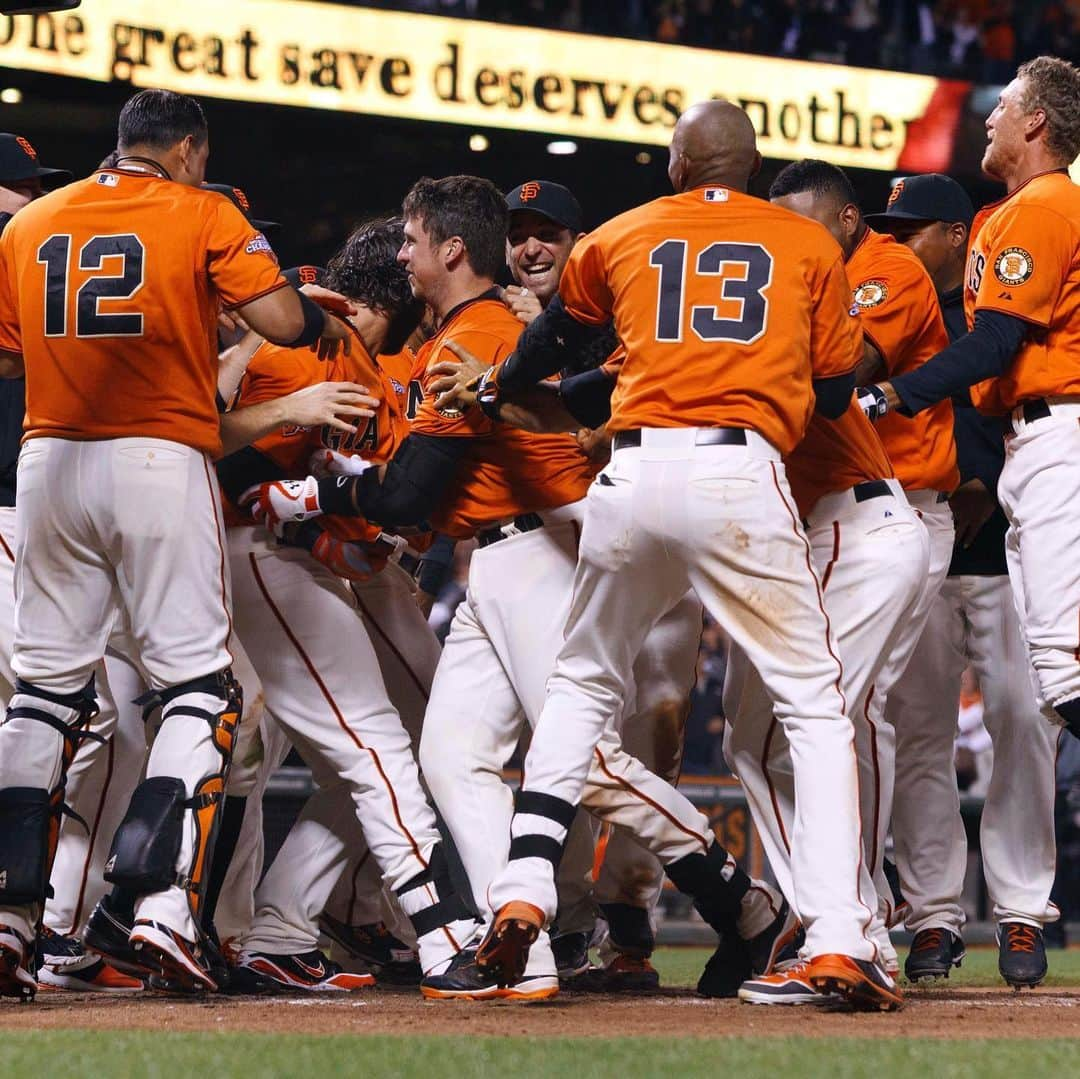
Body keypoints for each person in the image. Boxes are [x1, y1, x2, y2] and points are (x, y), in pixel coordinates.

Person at [432, 101, 903, 1011]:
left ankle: (523, 884)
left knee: (579, 684)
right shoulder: (805, 245)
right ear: (756, 169)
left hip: (633, 470)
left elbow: (549, 343)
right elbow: (841, 385)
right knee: (814, 705)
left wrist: (498, 384)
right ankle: (841, 932)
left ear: (678, 164)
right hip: (740, 471)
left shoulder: (619, 234)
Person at [0, 88, 351, 1000]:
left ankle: (9, 919)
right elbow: (283, 325)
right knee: (199, 687)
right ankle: (158, 904)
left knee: (43, 696)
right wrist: (293, 305)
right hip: (157, 453)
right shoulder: (202, 210)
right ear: (190, 148)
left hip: (49, 461)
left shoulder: (33, 218)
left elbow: (5, 356)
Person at [216, 219, 483, 995]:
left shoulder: (358, 354)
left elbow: (368, 517)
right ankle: (437, 930)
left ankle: (283, 925)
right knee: (377, 745)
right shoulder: (303, 347)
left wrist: (341, 510)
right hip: (262, 556)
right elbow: (235, 476)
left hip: (303, 563)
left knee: (370, 751)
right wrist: (315, 490)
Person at [862, 56, 1080, 985]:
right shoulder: (903, 297)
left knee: (1040, 700)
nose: (902, 243)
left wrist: (894, 392)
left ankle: (1023, 908)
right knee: (922, 728)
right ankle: (936, 911)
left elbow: (998, 352)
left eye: (918, 230)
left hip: (1010, 502)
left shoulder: (1031, 219)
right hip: (930, 530)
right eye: (892, 229)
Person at [769, 160, 958, 967]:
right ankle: (842, 901)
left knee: (861, 709)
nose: (791, 243)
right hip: (827, 516)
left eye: (805, 225)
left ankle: (868, 911)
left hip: (894, 508)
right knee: (823, 718)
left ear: (848, 221)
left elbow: (843, 377)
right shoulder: (804, 277)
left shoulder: (886, 267)